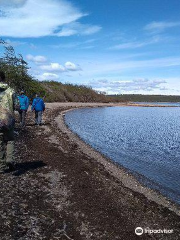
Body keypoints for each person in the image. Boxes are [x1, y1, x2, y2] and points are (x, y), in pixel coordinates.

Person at [0, 71, 16, 173]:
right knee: (10, 140)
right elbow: (16, 105)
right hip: (8, 119)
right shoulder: (11, 91)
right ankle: (9, 159)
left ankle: (1, 166)